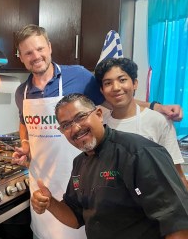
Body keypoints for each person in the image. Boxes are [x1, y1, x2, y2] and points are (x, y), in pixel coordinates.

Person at [12, 24, 183, 239]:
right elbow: (23, 122)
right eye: (28, 53)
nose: (35, 56)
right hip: (45, 181)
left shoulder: (79, 76)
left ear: (49, 47)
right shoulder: (21, 92)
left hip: (83, 173)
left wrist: (157, 107)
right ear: (20, 57)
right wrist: (26, 144)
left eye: (39, 49)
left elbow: (114, 97)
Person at [31, 93, 188, 239]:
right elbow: (75, 217)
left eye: (80, 117)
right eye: (66, 125)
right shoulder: (79, 162)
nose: (75, 128)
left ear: (99, 114)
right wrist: (50, 203)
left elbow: (177, 222)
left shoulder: (139, 153)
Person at [95, 57, 188, 188]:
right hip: (109, 199)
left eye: (122, 80)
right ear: (102, 90)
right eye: (108, 83)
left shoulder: (158, 121)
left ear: (135, 83)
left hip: (150, 201)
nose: (116, 87)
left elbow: (176, 174)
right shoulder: (99, 121)